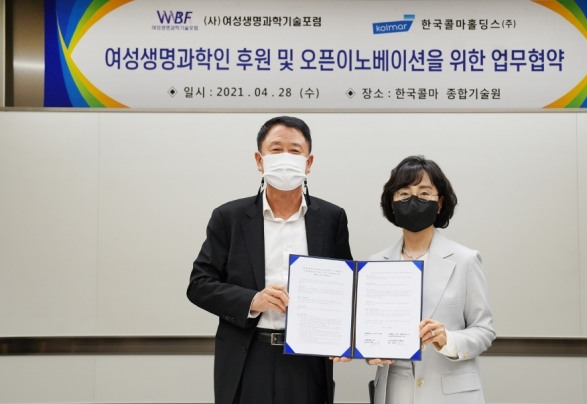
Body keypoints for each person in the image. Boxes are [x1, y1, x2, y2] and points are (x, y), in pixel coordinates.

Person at [187, 116, 353, 404]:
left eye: (295, 150)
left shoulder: (331, 218)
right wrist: (253, 301)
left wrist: (346, 336)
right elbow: (199, 285)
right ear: (259, 160)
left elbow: (346, 286)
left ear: (309, 163)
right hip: (248, 356)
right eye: (276, 149)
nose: (285, 158)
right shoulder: (229, 218)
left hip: (308, 359)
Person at [367, 155, 495, 404]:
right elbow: (370, 332)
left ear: (439, 203)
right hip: (394, 392)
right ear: (392, 203)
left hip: (449, 395)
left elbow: (484, 330)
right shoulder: (375, 263)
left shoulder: (466, 260)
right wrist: (370, 350)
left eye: (424, 193)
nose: (413, 200)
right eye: (404, 194)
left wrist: (448, 340)